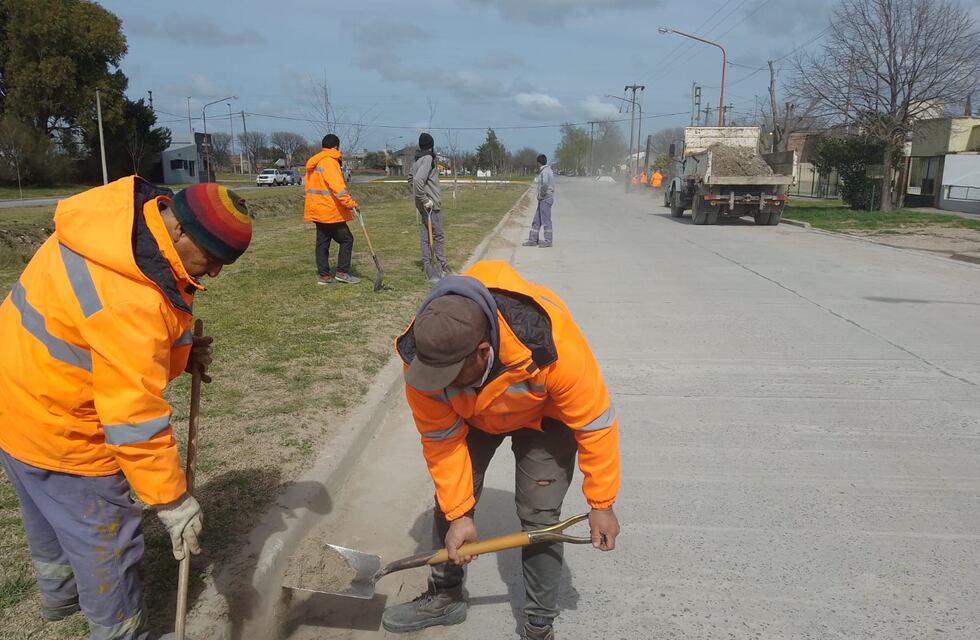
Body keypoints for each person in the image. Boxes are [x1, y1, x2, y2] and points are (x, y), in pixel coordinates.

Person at [0, 177, 252, 639]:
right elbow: (133, 419)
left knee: (50, 519)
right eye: (214, 259)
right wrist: (172, 501)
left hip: (16, 404)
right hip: (64, 431)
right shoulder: (131, 295)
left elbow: (103, 341)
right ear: (180, 233)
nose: (215, 273)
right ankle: (117, 629)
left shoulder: (116, 230)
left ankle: (62, 599)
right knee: (105, 546)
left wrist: (180, 352)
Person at [384, 260, 621, 640]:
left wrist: (602, 503)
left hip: (545, 419)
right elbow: (441, 443)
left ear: (482, 352)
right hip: (474, 415)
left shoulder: (554, 346)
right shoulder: (424, 360)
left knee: (540, 515)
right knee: (450, 502)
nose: (437, 384)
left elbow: (595, 424)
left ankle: (539, 625)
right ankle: (445, 596)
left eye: (450, 377)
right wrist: (460, 514)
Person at [304, 134, 361, 285]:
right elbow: (338, 188)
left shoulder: (315, 162)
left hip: (317, 209)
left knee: (322, 243)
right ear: (336, 147)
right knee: (347, 239)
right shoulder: (330, 162)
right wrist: (351, 204)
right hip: (330, 211)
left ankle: (324, 276)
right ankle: (342, 272)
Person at [411, 132, 449, 282]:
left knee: (426, 236)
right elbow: (417, 180)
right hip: (431, 205)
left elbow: (410, 178)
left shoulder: (417, 160)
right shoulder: (427, 159)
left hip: (423, 204)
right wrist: (425, 198)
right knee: (437, 236)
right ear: (431, 145)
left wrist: (420, 196)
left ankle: (428, 267)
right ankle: (440, 265)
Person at [522, 154, 555, 248]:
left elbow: (544, 184)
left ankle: (548, 241)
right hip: (544, 199)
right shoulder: (548, 170)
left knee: (546, 220)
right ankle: (532, 239)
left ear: (539, 162)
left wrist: (541, 194)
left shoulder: (544, 171)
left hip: (545, 199)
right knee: (537, 220)